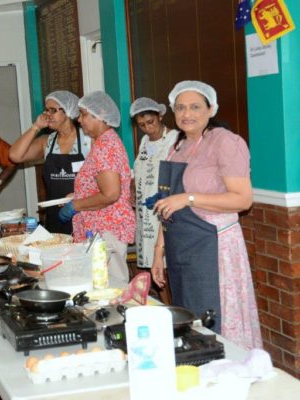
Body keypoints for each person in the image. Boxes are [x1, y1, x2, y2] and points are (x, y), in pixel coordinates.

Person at [151, 80, 262, 349]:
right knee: (189, 317)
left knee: (214, 317)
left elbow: (243, 199)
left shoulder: (226, 142)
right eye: (180, 108)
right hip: (181, 246)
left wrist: (188, 198)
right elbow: (168, 204)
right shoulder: (176, 146)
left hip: (214, 247)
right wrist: (158, 252)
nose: (186, 114)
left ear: (211, 109)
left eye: (195, 107)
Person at [58, 91, 135, 284]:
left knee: (111, 287)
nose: (79, 120)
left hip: (106, 229)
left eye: (83, 114)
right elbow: (101, 185)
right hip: (101, 228)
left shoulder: (105, 146)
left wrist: (76, 205)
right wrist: (77, 195)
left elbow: (110, 194)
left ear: (100, 115)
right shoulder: (103, 143)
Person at [9, 91, 91, 234]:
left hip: (82, 212)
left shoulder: (87, 140)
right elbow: (15, 155)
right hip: (54, 215)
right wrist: (36, 127)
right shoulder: (47, 142)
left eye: (53, 110)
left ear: (68, 111)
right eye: (46, 110)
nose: (47, 114)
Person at [130, 98, 178, 303]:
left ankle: (171, 306)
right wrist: (133, 186)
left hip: (165, 206)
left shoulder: (175, 139)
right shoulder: (144, 142)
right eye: (142, 125)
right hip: (145, 210)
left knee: (164, 262)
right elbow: (141, 167)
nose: (147, 128)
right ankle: (162, 304)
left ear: (160, 116)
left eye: (151, 122)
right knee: (150, 261)